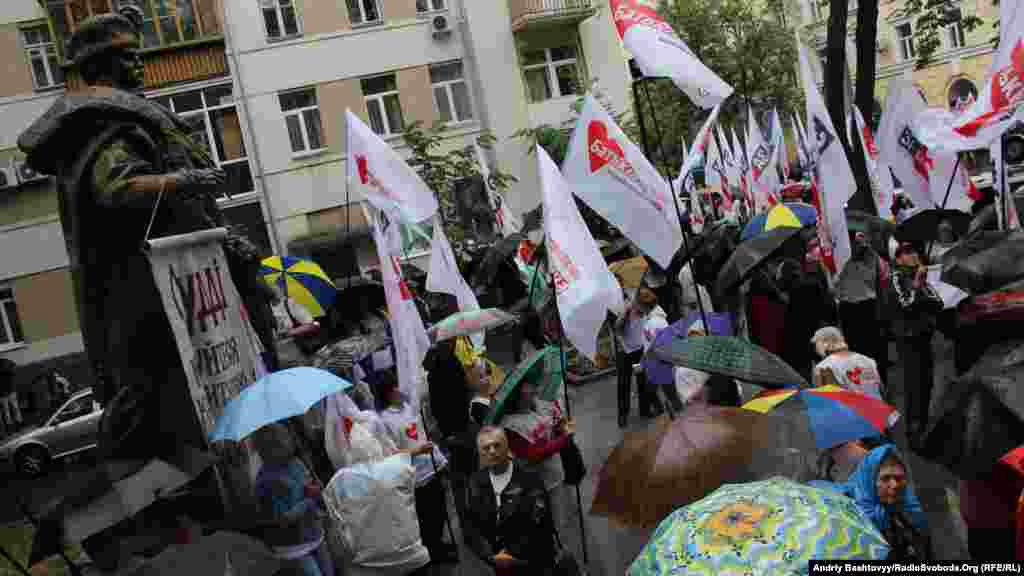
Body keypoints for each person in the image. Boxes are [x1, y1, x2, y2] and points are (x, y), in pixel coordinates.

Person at [17, 9, 272, 463]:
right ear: (99, 65)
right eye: (126, 56)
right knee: (158, 394)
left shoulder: (137, 118)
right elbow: (116, 189)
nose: (139, 63)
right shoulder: (107, 125)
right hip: (149, 291)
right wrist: (186, 180)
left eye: (137, 53)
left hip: (186, 282)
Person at [376, 373, 459, 566]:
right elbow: (391, 454)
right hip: (415, 477)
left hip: (431, 467)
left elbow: (421, 434)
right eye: (395, 387)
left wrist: (436, 456)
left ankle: (438, 544)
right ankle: (432, 552)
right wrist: (417, 451)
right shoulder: (384, 421)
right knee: (426, 517)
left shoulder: (408, 408)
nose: (399, 390)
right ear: (388, 393)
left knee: (440, 511)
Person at [466, 427, 557, 575]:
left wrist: (511, 555)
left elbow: (540, 523)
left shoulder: (528, 477)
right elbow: (472, 527)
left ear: (507, 446)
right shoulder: (475, 482)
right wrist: (490, 556)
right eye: (486, 448)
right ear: (480, 453)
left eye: (497, 445)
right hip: (500, 564)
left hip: (534, 562)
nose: (492, 451)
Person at [815, 445, 929, 560]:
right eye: (885, 478)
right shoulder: (850, 514)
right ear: (870, 481)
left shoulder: (907, 512)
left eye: (899, 478)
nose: (894, 485)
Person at [250, 423, 335, 576]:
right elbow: (281, 519)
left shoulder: (296, 463)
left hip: (315, 535)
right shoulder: (265, 480)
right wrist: (308, 502)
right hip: (293, 547)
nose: (289, 442)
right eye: (281, 440)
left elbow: (313, 490)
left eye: (287, 437)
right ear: (266, 449)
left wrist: (316, 489)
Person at [888, 241, 943, 443]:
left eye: (913, 252)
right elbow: (906, 304)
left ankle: (923, 426)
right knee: (914, 384)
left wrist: (920, 288)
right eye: (905, 253)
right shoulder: (897, 278)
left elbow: (938, 302)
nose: (912, 255)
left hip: (924, 336)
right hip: (908, 339)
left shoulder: (920, 277)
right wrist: (918, 285)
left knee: (927, 383)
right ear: (898, 259)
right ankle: (913, 431)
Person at [836, 231, 890, 373]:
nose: (856, 246)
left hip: (867, 306)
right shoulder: (838, 259)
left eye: (857, 243)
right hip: (848, 308)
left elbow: (881, 279)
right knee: (855, 349)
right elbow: (835, 285)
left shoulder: (872, 256)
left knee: (873, 348)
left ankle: (877, 378)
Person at [612, 276, 648, 428]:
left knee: (641, 379)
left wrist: (638, 309)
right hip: (624, 351)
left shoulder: (634, 297)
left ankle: (645, 409)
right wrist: (626, 313)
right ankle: (623, 415)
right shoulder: (613, 305)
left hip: (638, 349)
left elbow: (644, 313)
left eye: (619, 283)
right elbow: (617, 328)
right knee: (624, 382)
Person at [811, 326, 884, 400]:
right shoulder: (868, 360)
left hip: (852, 407)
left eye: (816, 344)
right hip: (878, 406)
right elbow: (881, 390)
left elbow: (826, 400)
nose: (815, 349)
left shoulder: (824, 367)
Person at [0, 359, 21, 431]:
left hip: (6, 393)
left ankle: (12, 426)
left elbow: (14, 366)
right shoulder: (7, 365)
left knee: (9, 411)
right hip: (6, 393)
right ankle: (15, 425)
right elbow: (14, 366)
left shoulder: (7, 366)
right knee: (12, 410)